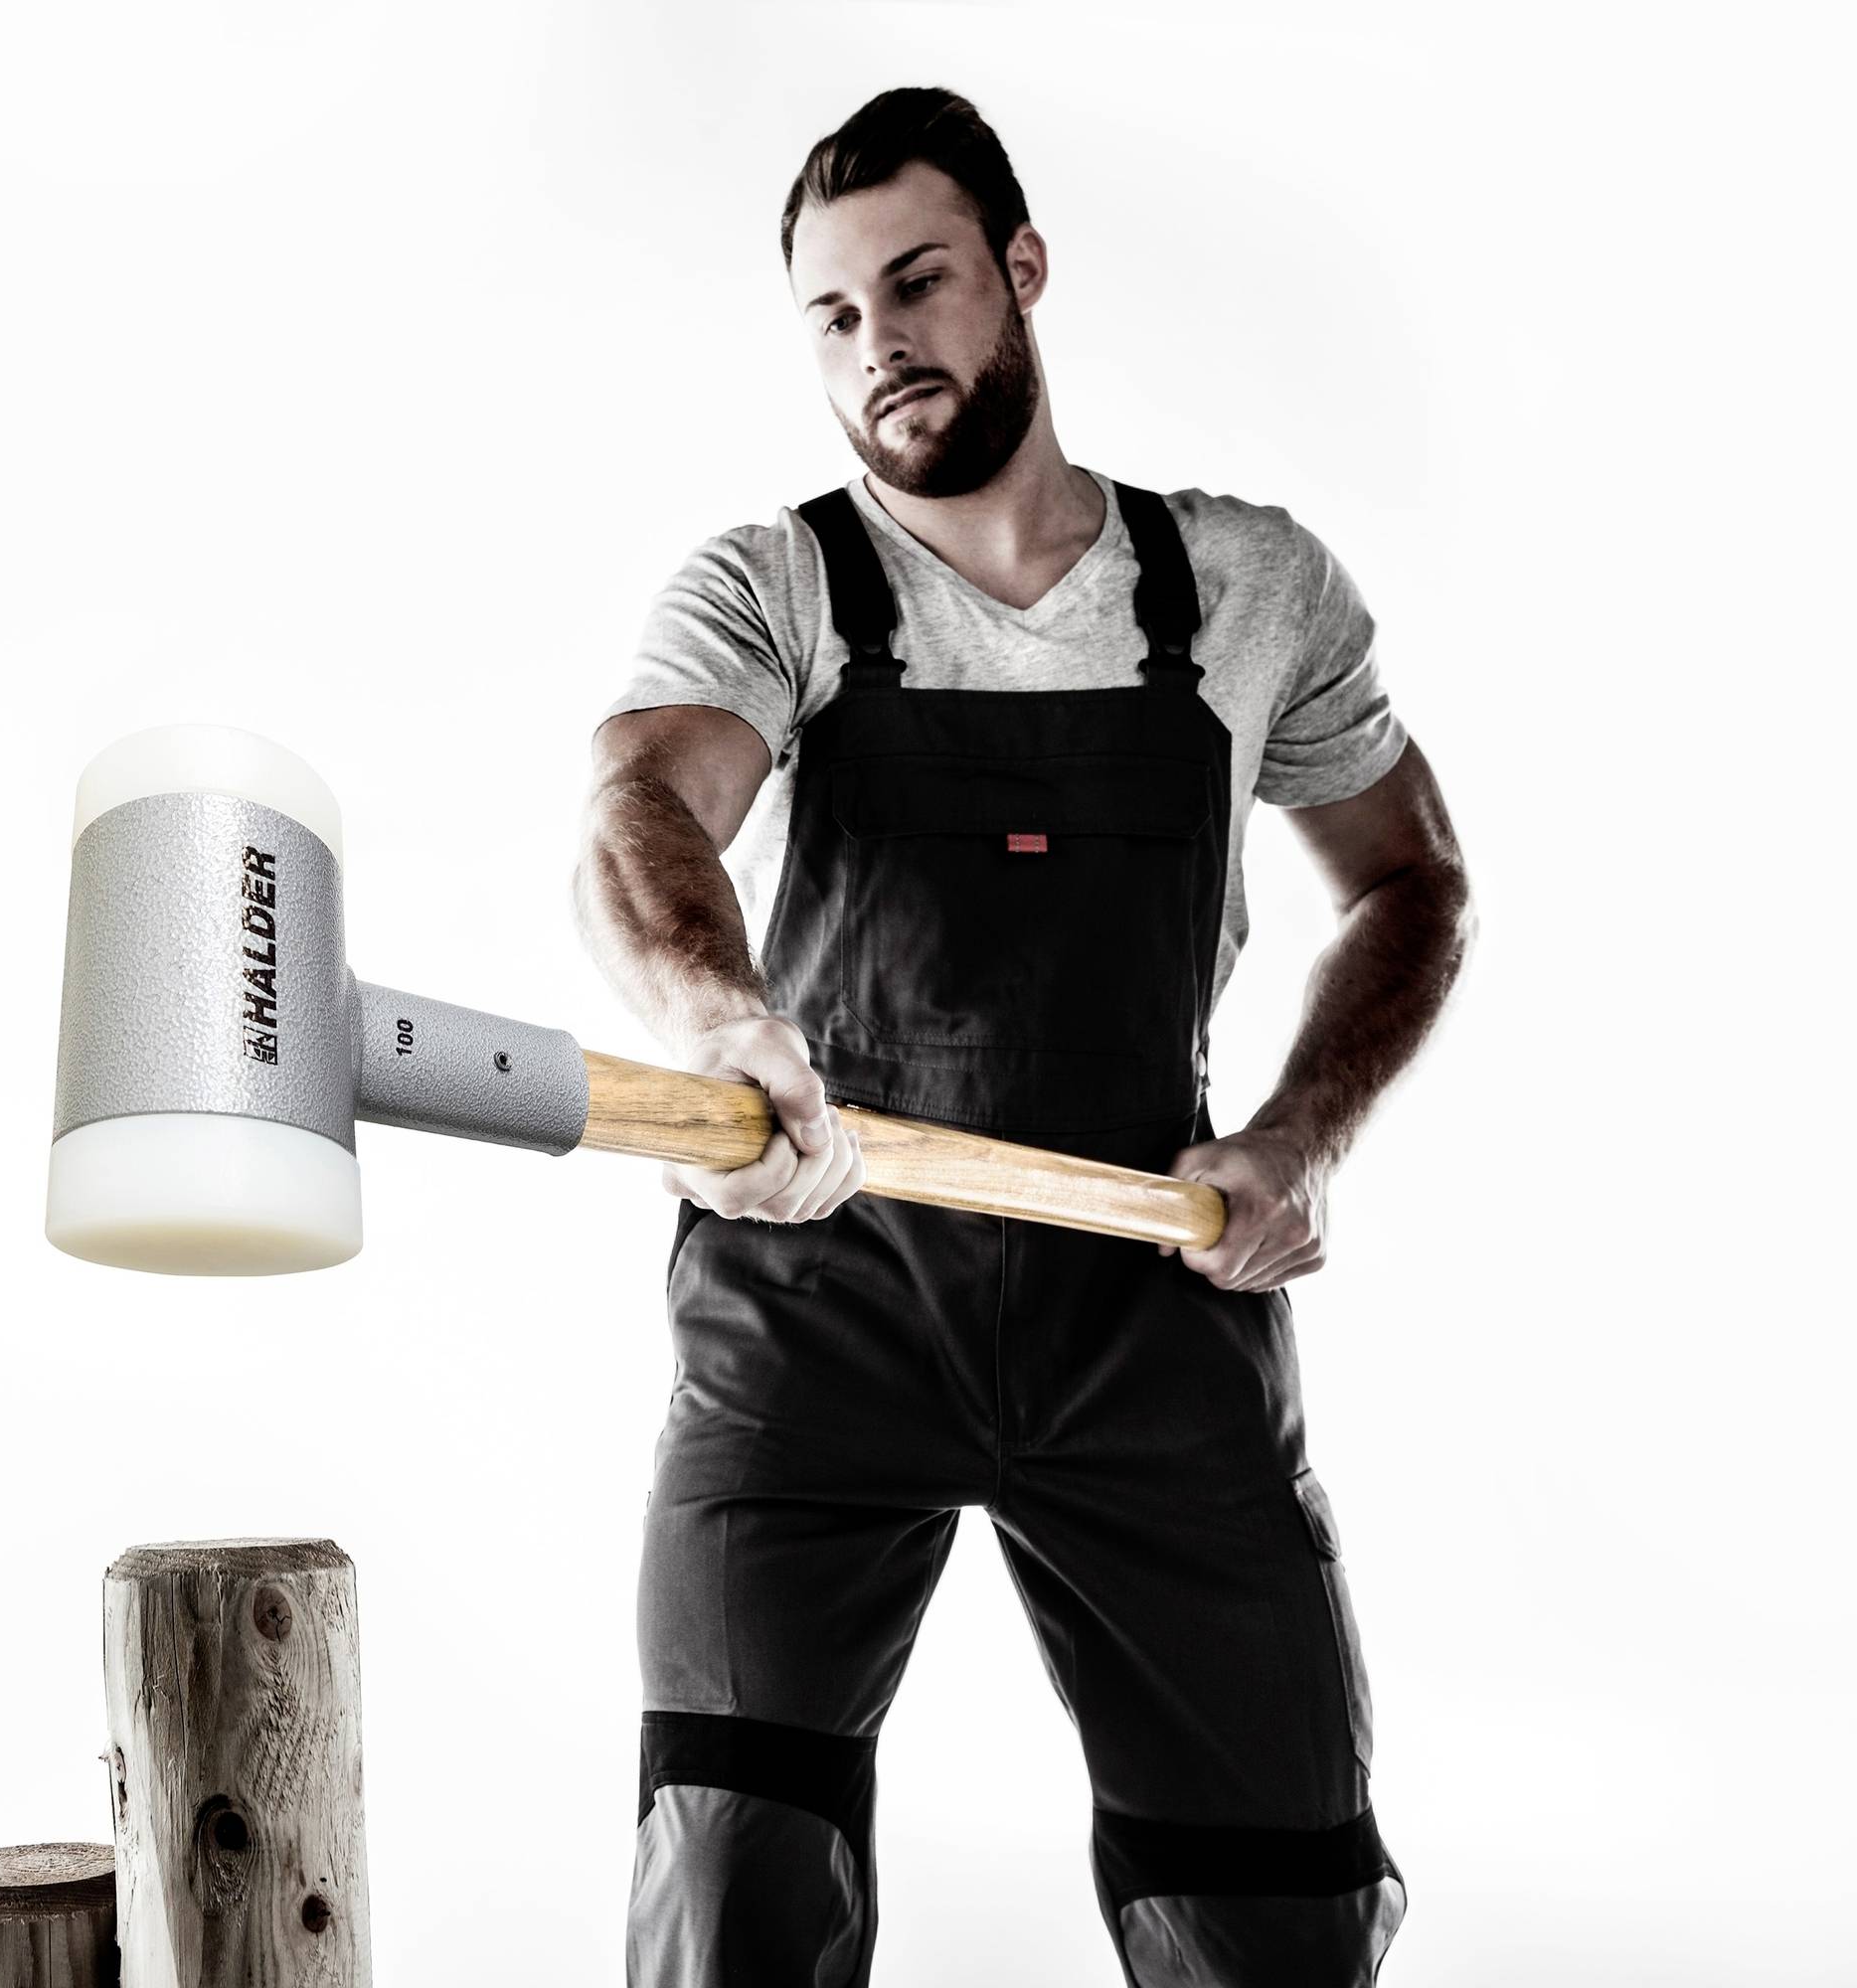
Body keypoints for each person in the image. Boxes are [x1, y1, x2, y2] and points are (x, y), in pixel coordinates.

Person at [573, 86, 1474, 1987]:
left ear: (1022, 273)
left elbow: (1414, 884)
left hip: (1149, 1288)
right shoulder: (779, 588)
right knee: (727, 1893)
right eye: (834, 315)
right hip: (818, 1292)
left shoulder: (1247, 592)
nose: (880, 343)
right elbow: (641, 811)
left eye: (918, 284)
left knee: (1279, 1911)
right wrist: (726, 1020)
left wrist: (1303, 1137)